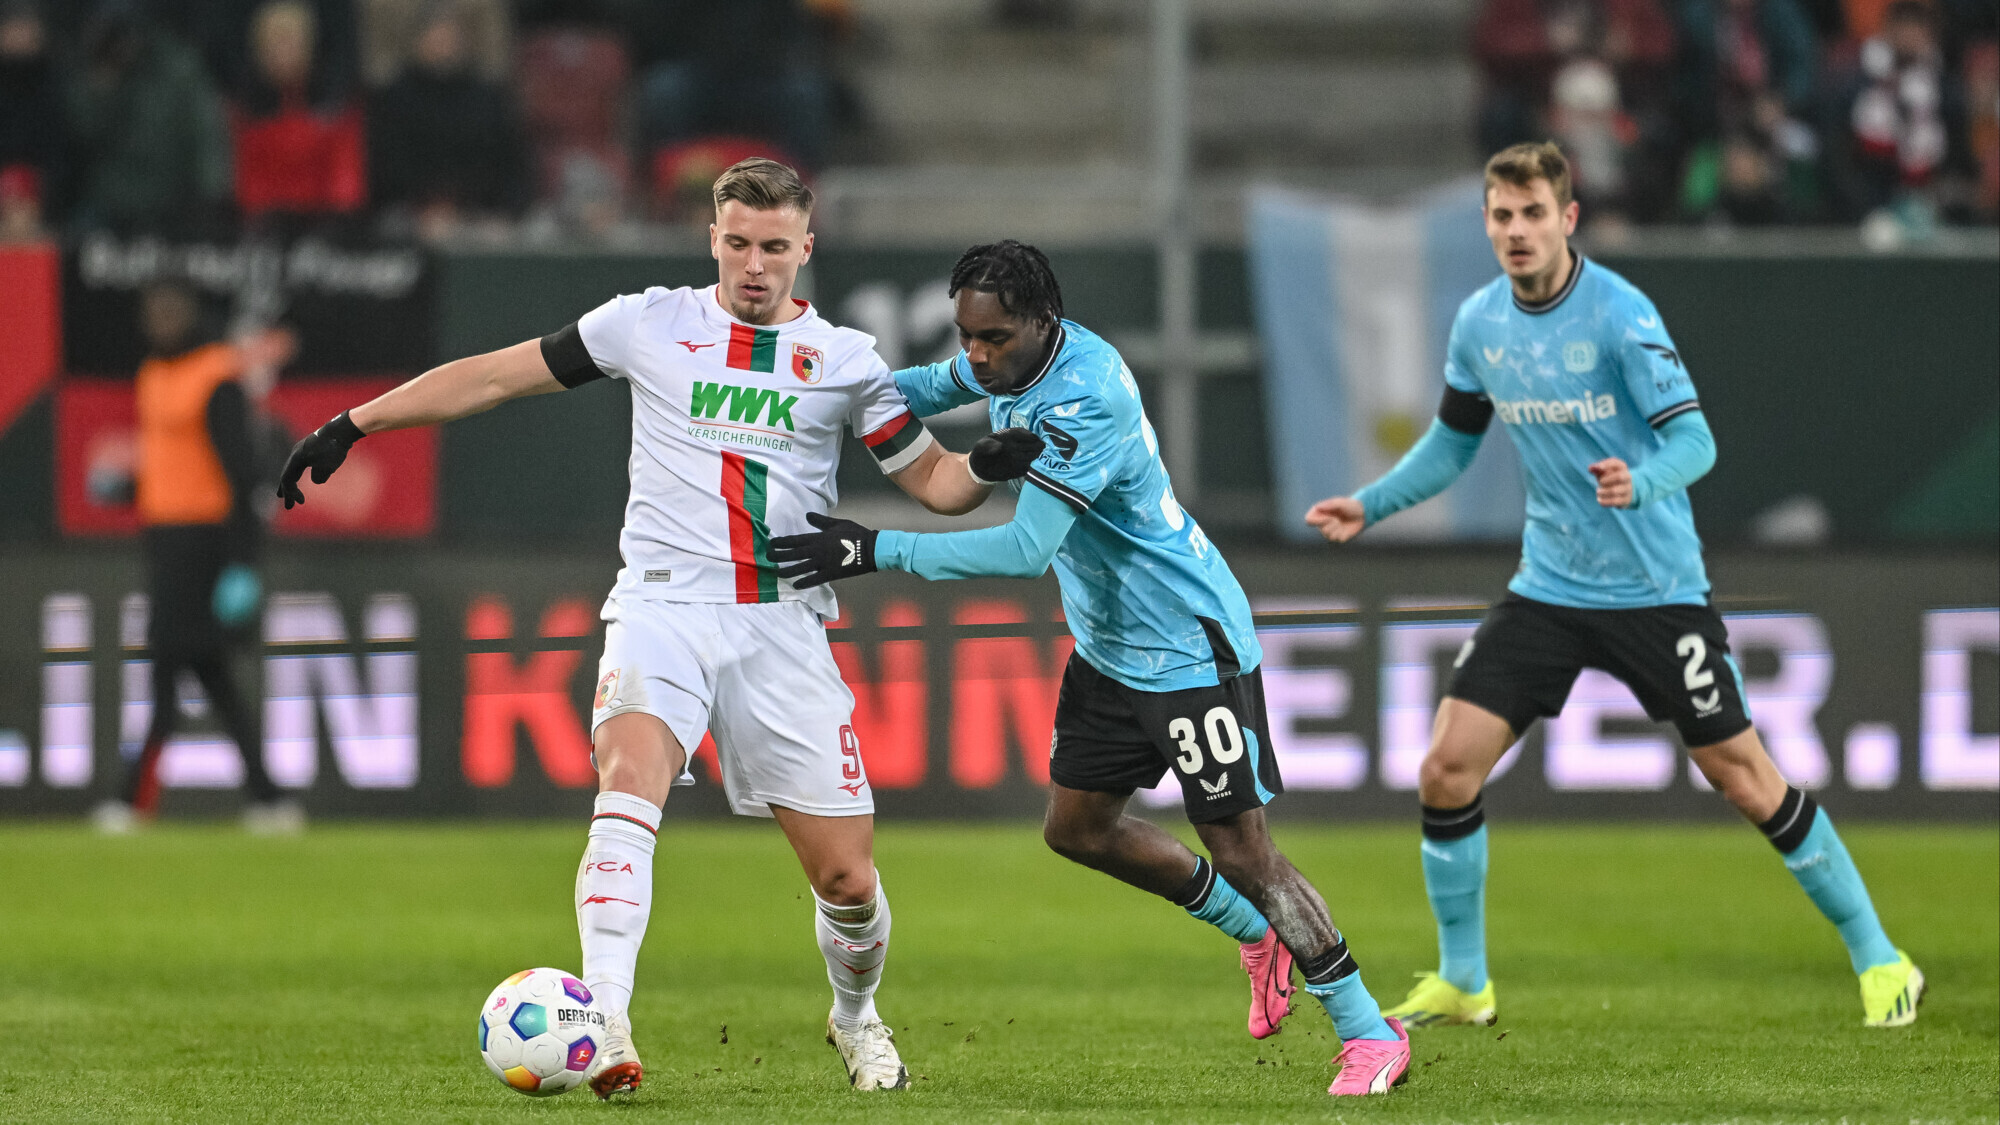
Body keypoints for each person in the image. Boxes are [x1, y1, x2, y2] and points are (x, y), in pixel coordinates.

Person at [275, 158, 1037, 1098]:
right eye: (737, 243)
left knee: (848, 880)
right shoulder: (647, 322)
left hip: (781, 620)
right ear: (712, 238)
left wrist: (987, 465)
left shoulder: (847, 361)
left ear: (807, 246)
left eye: (774, 247)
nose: (754, 265)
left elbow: (935, 484)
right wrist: (357, 422)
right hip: (661, 604)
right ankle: (606, 1018)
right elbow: (497, 376)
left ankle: (855, 1014)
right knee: (628, 780)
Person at [767, 241, 1416, 1098]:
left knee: (1241, 847)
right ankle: (1256, 934)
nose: (976, 356)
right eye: (967, 335)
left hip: (1187, 644)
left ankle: (1369, 1030)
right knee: (1077, 829)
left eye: (993, 338)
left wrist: (873, 546)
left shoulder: (1086, 396)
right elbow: (917, 388)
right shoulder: (1010, 361)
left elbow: (1023, 548)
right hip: (1110, 648)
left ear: (1043, 321)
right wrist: (815, 384)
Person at [1305, 141, 1924, 1032]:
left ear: (1568, 218)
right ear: (1487, 223)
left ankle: (1881, 956)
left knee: (1745, 778)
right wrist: (1371, 504)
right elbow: (1452, 444)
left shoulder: (1620, 315)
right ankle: (1465, 979)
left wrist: (1642, 482)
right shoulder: (1480, 323)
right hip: (1550, 588)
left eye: (1533, 213)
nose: (1517, 231)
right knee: (1445, 766)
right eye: (1502, 216)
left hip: (1655, 590)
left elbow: (1696, 443)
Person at [93, 283, 299, 835]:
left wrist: (242, 563)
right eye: (153, 313)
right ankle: (270, 798)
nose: (160, 322)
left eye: (171, 313)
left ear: (190, 317)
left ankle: (131, 801)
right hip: (164, 538)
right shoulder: (152, 375)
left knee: (167, 666)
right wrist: (128, 489)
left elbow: (241, 474)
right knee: (210, 674)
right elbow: (172, 465)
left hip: (203, 541)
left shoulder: (215, 377)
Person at [366, 0, 528, 239]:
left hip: (483, 212)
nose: (443, 44)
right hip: (412, 212)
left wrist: (504, 212)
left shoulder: (488, 96)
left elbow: (514, 162)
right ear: (418, 40)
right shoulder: (394, 98)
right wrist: (426, 206)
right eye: (435, 36)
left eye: (449, 35)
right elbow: (387, 167)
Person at [230, 0, 367, 221]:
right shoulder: (247, 109)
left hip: (327, 222)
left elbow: (345, 177)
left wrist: (333, 219)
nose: (283, 53)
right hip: (267, 223)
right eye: (274, 45)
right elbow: (248, 182)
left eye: (291, 42)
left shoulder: (335, 103)